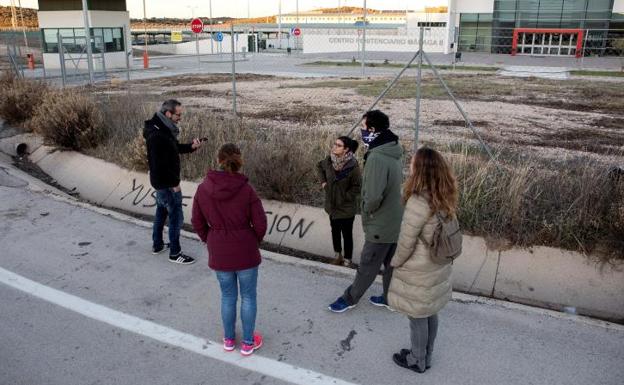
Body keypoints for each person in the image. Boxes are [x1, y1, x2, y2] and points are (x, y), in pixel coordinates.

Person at [191, 143, 267, 356]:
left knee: (227, 296)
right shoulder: (246, 189)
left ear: (219, 159)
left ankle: (228, 340)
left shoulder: (203, 188)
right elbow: (260, 223)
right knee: (249, 296)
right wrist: (253, 240)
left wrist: (210, 238)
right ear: (239, 160)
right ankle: (248, 343)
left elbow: (197, 221)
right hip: (245, 250)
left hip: (219, 250)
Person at [387, 148, 458, 373]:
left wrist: (394, 262)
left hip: (419, 267)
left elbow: (406, 242)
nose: (410, 166)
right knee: (429, 311)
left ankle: (417, 360)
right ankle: (426, 355)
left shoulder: (418, 201)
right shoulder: (444, 195)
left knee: (417, 315)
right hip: (438, 264)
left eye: (413, 163)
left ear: (421, 170)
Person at [328, 110, 404, 313]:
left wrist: (366, 210)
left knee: (368, 265)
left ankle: (349, 298)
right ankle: (390, 298)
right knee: (391, 264)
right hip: (395, 218)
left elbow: (372, 197)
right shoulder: (393, 148)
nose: (361, 132)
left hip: (381, 222)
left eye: (363, 127)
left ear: (372, 129)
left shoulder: (377, 157)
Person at [143, 99, 203, 265]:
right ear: (168, 113)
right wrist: (173, 184)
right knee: (176, 217)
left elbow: (173, 148)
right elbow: (159, 164)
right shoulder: (158, 135)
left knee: (161, 212)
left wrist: (191, 147)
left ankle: (158, 245)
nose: (180, 117)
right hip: (167, 184)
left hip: (161, 183)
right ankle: (175, 253)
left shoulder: (162, 128)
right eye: (178, 114)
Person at [316, 136, 361, 267]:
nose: (334, 146)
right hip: (332, 206)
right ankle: (337, 256)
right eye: (334, 144)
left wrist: (344, 196)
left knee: (347, 234)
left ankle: (347, 260)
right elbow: (319, 166)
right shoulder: (329, 161)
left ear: (346, 149)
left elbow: (357, 187)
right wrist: (324, 182)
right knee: (334, 232)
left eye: (338, 145)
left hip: (346, 207)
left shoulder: (353, 166)